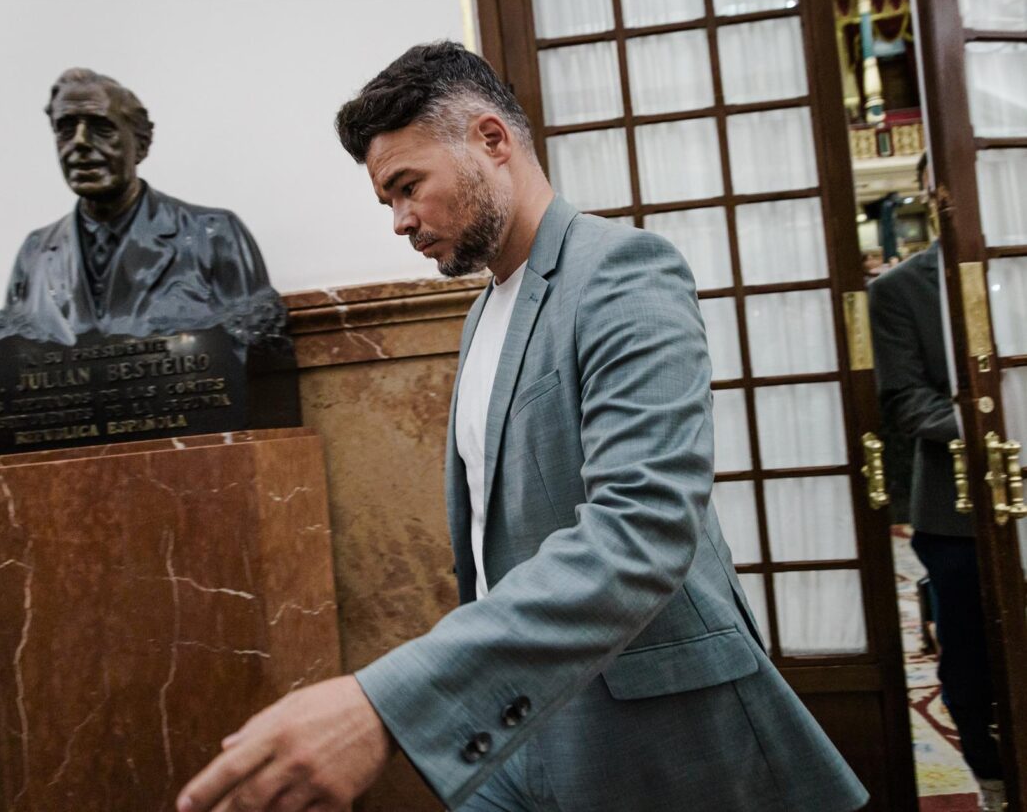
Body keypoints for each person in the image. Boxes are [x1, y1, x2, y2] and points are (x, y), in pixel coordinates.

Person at [177, 42, 868, 812]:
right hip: (520, 722)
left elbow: (642, 531)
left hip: (659, 734)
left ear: (491, 141)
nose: (401, 222)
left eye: (408, 187)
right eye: (388, 203)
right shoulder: (480, 315)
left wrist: (386, 701)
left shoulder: (624, 270)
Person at [868, 154, 1004, 812]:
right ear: (930, 196)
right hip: (952, 509)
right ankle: (993, 778)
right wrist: (995, 420)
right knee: (970, 665)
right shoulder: (899, 290)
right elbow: (905, 402)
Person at [0, 67, 280, 350]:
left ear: (141, 144)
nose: (79, 143)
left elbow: (257, 357)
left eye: (101, 128)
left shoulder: (214, 235)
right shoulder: (36, 254)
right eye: (66, 129)